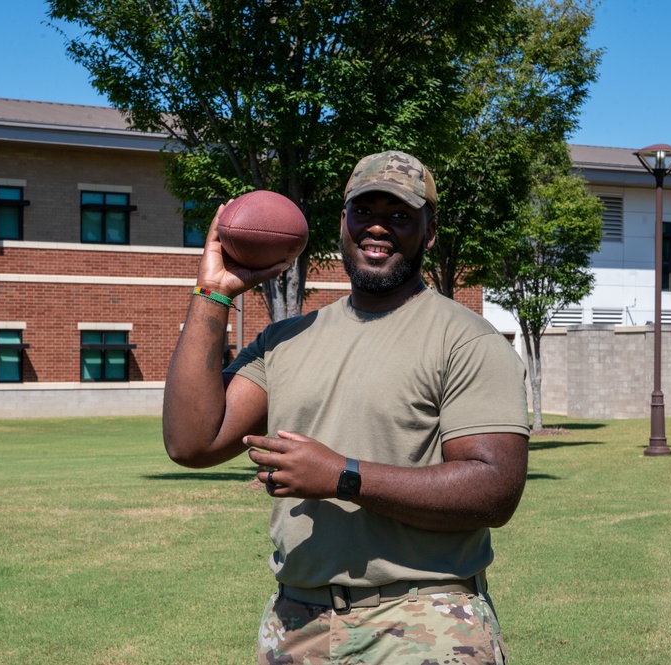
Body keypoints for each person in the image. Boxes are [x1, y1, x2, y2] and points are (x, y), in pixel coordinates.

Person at [163, 150, 529, 664]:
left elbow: (495, 490)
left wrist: (341, 475)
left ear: (429, 232)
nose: (378, 228)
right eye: (364, 212)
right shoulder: (285, 340)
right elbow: (191, 442)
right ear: (342, 222)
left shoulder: (466, 341)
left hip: (424, 620)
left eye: (400, 215)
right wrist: (213, 293)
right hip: (298, 623)